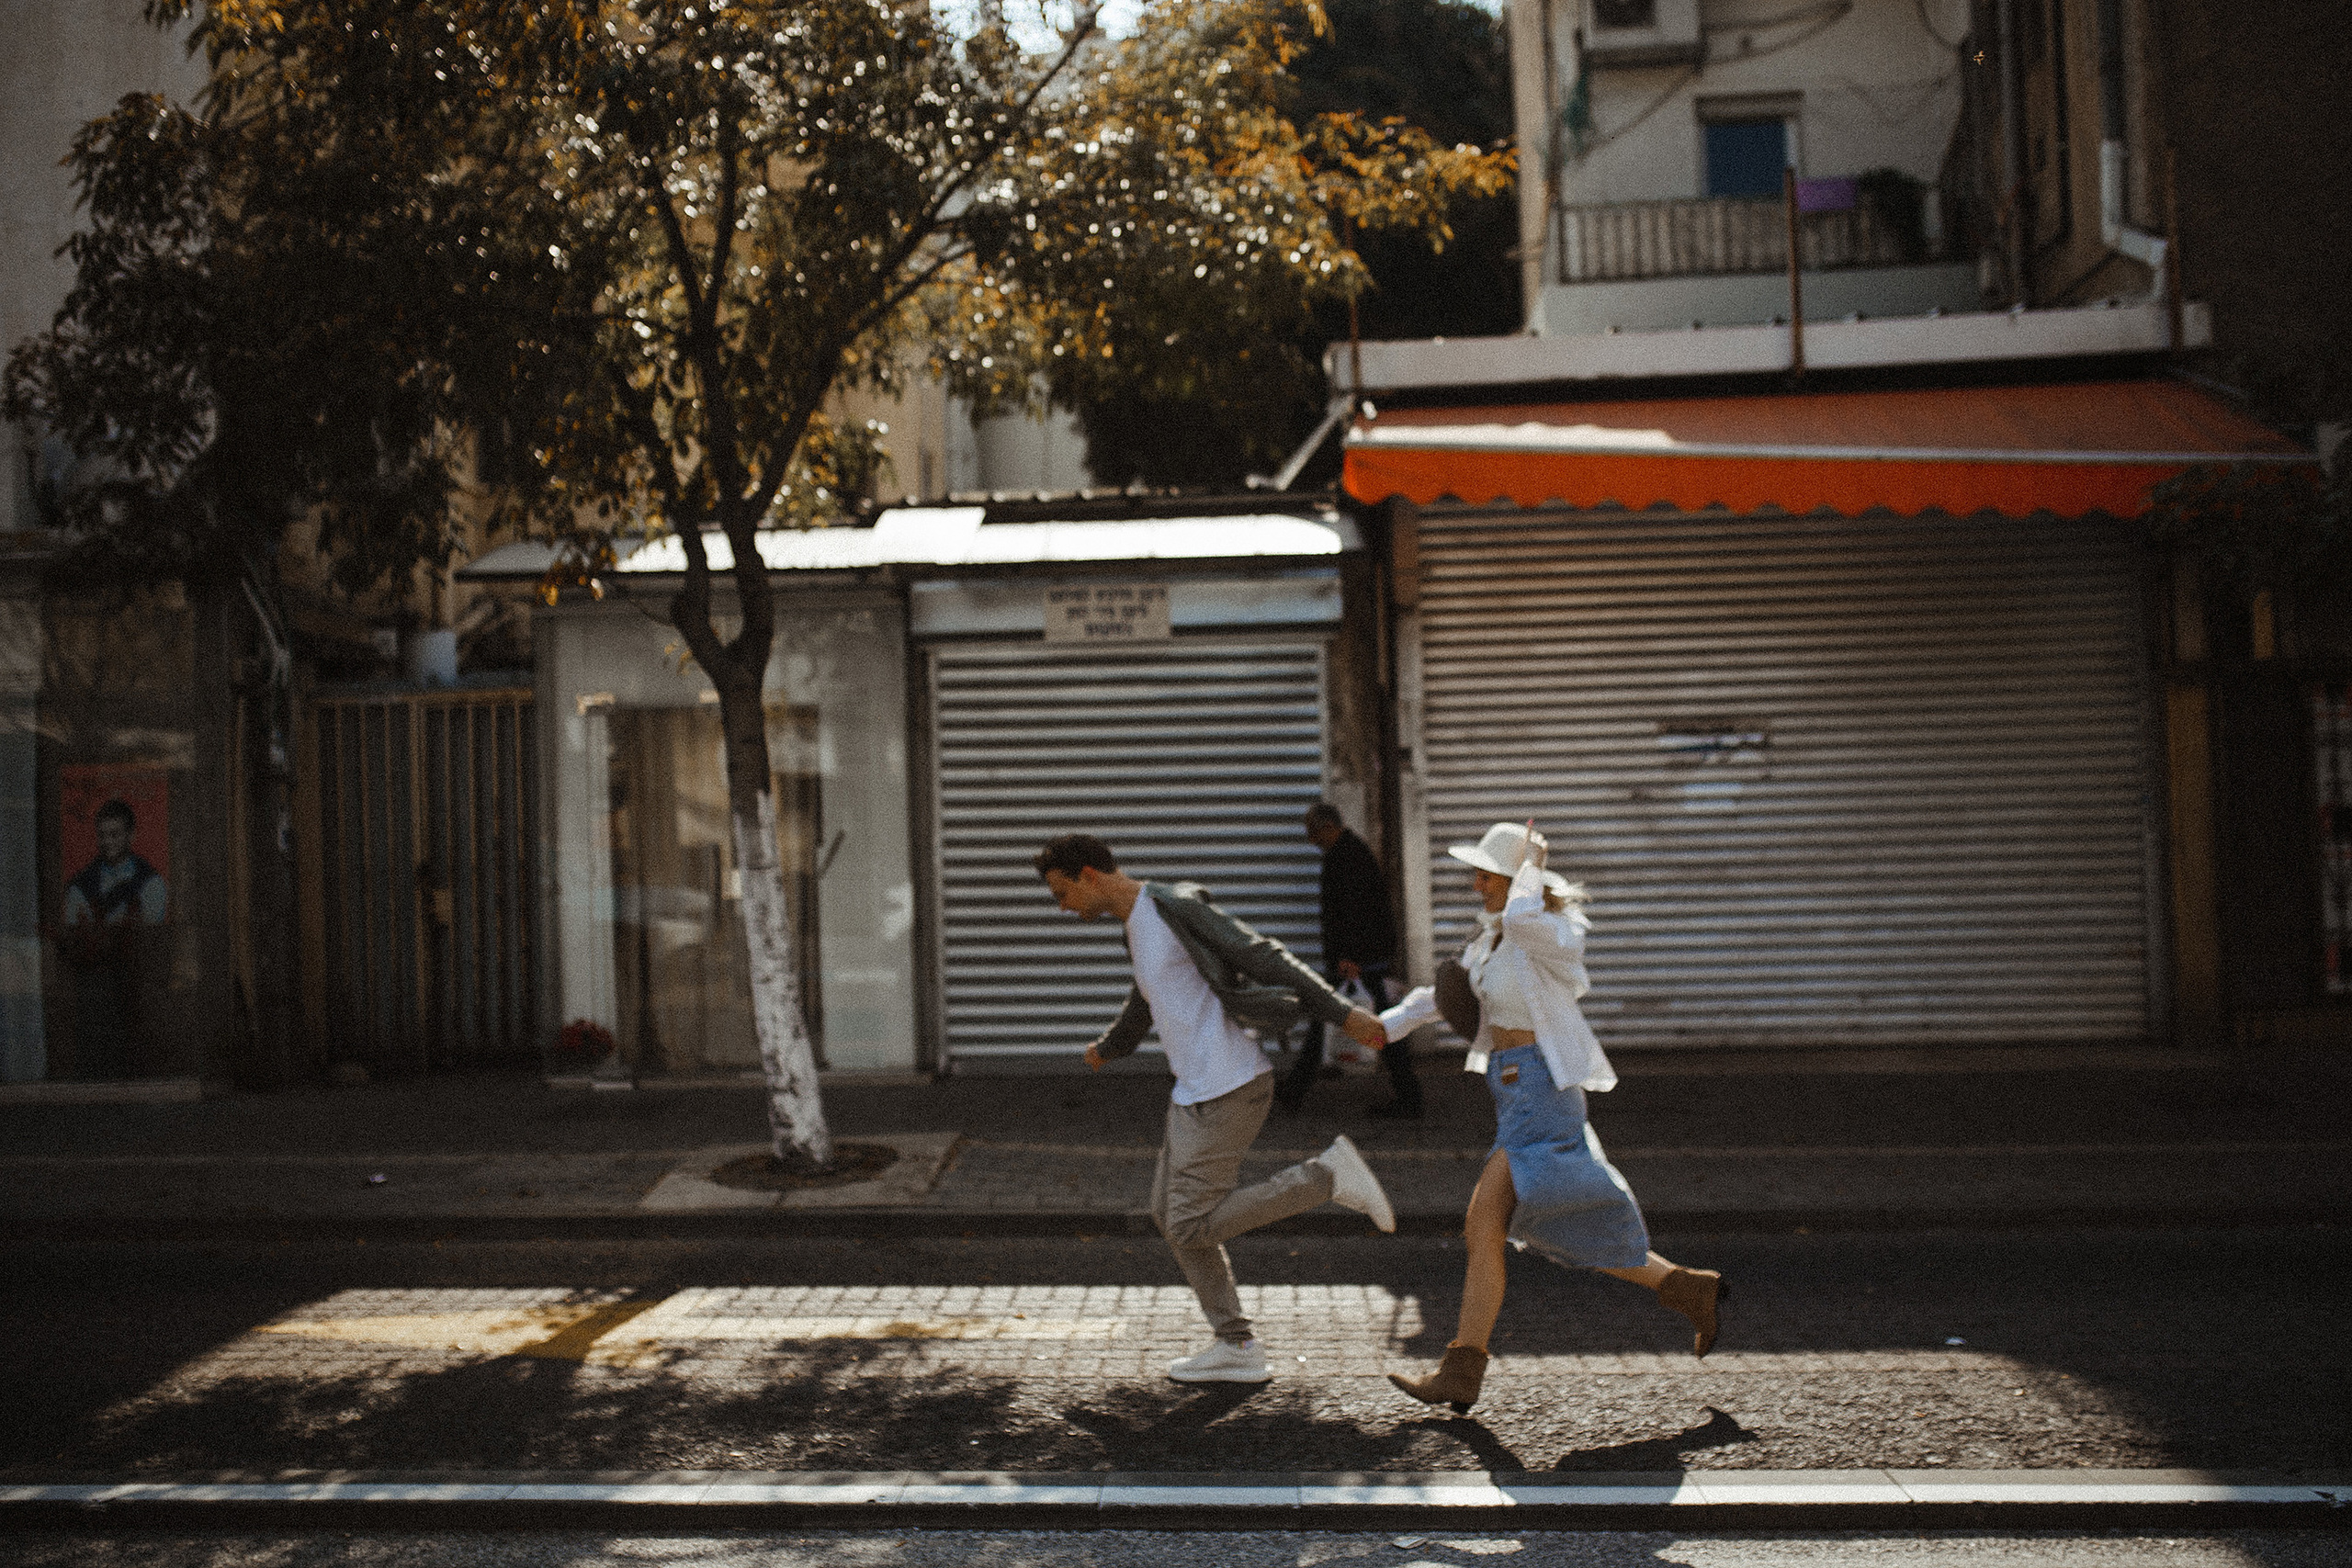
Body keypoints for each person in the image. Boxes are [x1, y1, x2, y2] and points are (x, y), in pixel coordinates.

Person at [1381, 821, 1725, 1414]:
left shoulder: (1550, 933)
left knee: (1485, 1223)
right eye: (1479, 873)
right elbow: (1441, 996)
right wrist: (1378, 1028)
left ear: (1518, 879)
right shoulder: (1493, 939)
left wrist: (1533, 869)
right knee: (1519, 1224)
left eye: (1489, 874)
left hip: (1542, 1089)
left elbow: (1524, 919)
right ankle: (1688, 1289)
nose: (1475, 884)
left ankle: (1461, 1372)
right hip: (1514, 1090)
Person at [1036, 831, 1398, 1384]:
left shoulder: (1173, 906)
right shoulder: (1134, 929)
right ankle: (1237, 1344)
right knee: (1170, 1215)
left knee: (1189, 1223)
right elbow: (1145, 998)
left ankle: (1326, 1177)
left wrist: (1343, 1014)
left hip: (1232, 1086)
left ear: (1089, 874)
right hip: (1193, 1092)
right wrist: (1110, 1047)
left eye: (1063, 894)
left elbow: (1263, 955)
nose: (1064, 909)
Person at [1277, 802, 1422, 1119]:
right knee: (1344, 1020)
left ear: (1329, 827)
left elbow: (1356, 912)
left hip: (1358, 960)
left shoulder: (1347, 857)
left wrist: (1351, 956)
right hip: (1358, 957)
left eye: (1315, 835)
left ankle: (1410, 1098)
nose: (1313, 842)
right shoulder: (1349, 853)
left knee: (1382, 1027)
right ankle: (1293, 1090)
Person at [60, 797, 169, 1082]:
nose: (107, 842)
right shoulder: (80, 885)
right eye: (102, 835)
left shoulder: (151, 883)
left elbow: (150, 931)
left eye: (115, 834)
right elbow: (75, 930)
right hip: (94, 991)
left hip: (137, 987)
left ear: (131, 836)